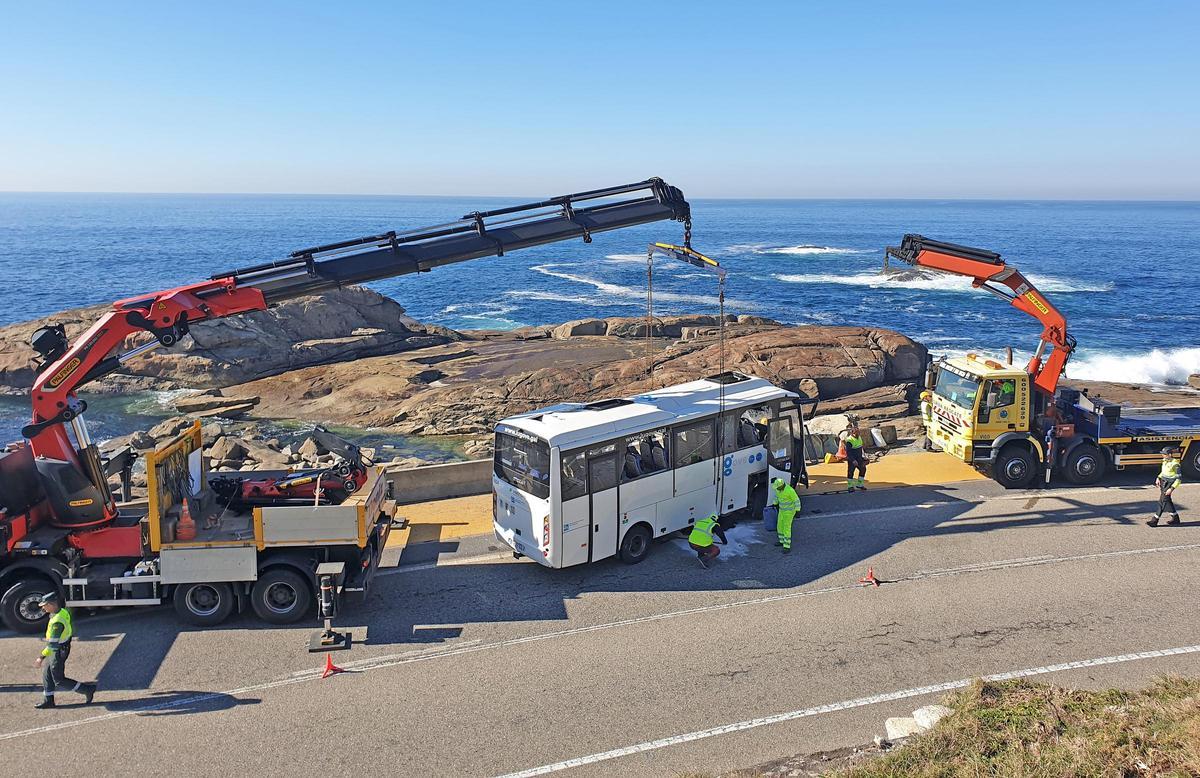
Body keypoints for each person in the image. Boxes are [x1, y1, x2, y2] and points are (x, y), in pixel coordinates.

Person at [34, 593, 95, 709]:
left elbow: (52, 644)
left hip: (58, 651)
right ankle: (48, 700)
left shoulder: (57, 622)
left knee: (59, 680)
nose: (43, 608)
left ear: (51, 604)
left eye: (44, 605)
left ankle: (87, 689)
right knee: (47, 675)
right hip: (59, 648)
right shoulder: (61, 611)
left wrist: (41, 657)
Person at [1147, 446, 1184, 527]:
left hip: (1169, 484)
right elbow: (1163, 472)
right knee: (1167, 501)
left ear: (1170, 455)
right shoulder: (1165, 461)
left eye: (1164, 454)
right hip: (1163, 482)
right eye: (1162, 454)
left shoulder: (1175, 464)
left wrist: (1171, 489)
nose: (1163, 455)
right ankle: (1175, 518)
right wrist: (1158, 477)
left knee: (1162, 501)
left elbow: (1179, 479)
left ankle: (1155, 520)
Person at [770, 477, 800, 553]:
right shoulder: (778, 489)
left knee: (786, 528)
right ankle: (781, 541)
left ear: (781, 486)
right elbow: (777, 497)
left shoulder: (790, 491)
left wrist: (797, 510)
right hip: (782, 510)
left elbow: (796, 500)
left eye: (777, 487)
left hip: (789, 512)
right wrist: (774, 503)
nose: (776, 489)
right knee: (779, 526)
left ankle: (787, 546)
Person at [843, 423, 868, 492]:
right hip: (852, 459)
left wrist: (865, 457)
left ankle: (860, 484)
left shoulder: (859, 438)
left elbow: (861, 447)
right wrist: (853, 460)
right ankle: (850, 486)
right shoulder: (849, 441)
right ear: (852, 433)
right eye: (857, 433)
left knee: (863, 469)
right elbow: (848, 453)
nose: (858, 434)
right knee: (851, 472)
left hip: (859, 457)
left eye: (859, 432)